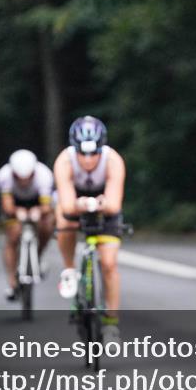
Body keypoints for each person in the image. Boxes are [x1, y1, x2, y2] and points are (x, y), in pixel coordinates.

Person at [53, 116, 127, 346]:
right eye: (82, 153)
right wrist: (84, 204)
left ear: (101, 148)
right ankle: (69, 270)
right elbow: (67, 206)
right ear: (74, 149)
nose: (87, 159)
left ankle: (111, 323)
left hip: (105, 208)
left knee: (109, 264)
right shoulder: (64, 161)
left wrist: (97, 204)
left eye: (93, 153)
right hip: (75, 202)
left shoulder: (113, 160)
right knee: (63, 222)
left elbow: (113, 205)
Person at [0, 149, 55, 301]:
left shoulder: (44, 175)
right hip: (15, 203)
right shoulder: (4, 176)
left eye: (28, 177)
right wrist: (16, 212)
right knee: (13, 235)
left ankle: (38, 255)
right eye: (19, 178)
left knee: (47, 225)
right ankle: (12, 282)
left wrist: (39, 211)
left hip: (37, 201)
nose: (24, 182)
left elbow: (47, 207)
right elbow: (7, 206)